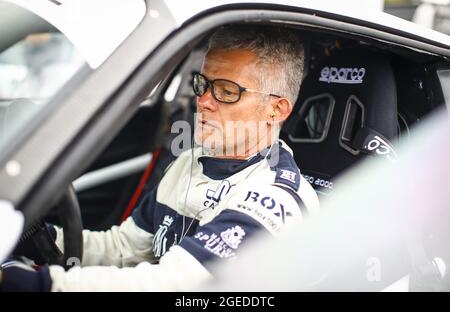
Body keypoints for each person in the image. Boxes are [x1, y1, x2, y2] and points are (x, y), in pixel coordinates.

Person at [0, 25, 319, 291]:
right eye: (203, 84)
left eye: (226, 90)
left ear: (275, 110)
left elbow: (170, 285)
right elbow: (124, 249)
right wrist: (34, 238)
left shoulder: (273, 201)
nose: (204, 101)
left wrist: (40, 284)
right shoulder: (189, 163)